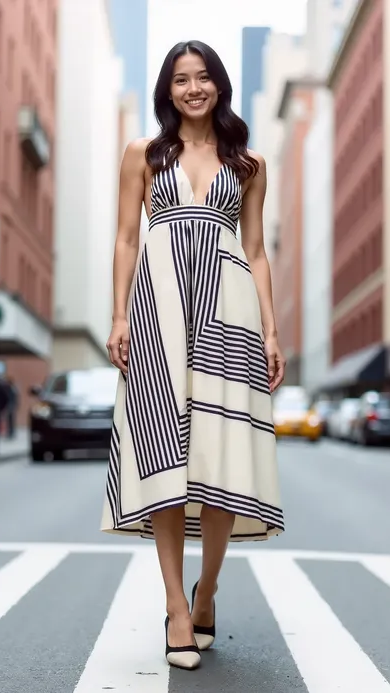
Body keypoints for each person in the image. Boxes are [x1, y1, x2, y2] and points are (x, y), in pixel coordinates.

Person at [102, 40, 286, 671]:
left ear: (219, 85)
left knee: (221, 462)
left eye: (203, 77)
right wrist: (120, 315)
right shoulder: (144, 156)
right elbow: (127, 237)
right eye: (181, 80)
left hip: (230, 312)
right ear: (167, 91)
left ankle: (208, 590)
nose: (193, 89)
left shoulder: (250, 163)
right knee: (162, 453)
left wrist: (270, 329)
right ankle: (178, 605)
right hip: (158, 314)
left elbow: (257, 250)